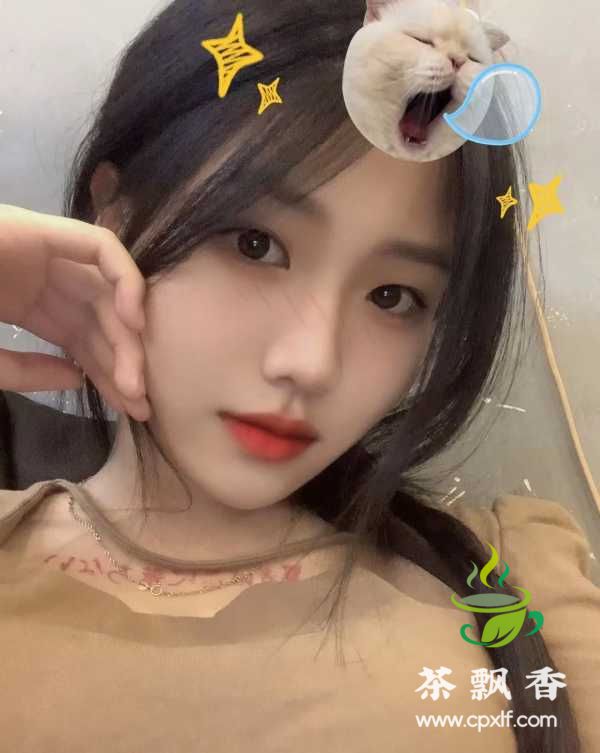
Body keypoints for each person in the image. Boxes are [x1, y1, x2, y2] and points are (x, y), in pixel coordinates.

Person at [0, 0, 598, 751]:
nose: (312, 363)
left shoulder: (510, 581)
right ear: (113, 217)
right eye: (255, 245)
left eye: (393, 297)